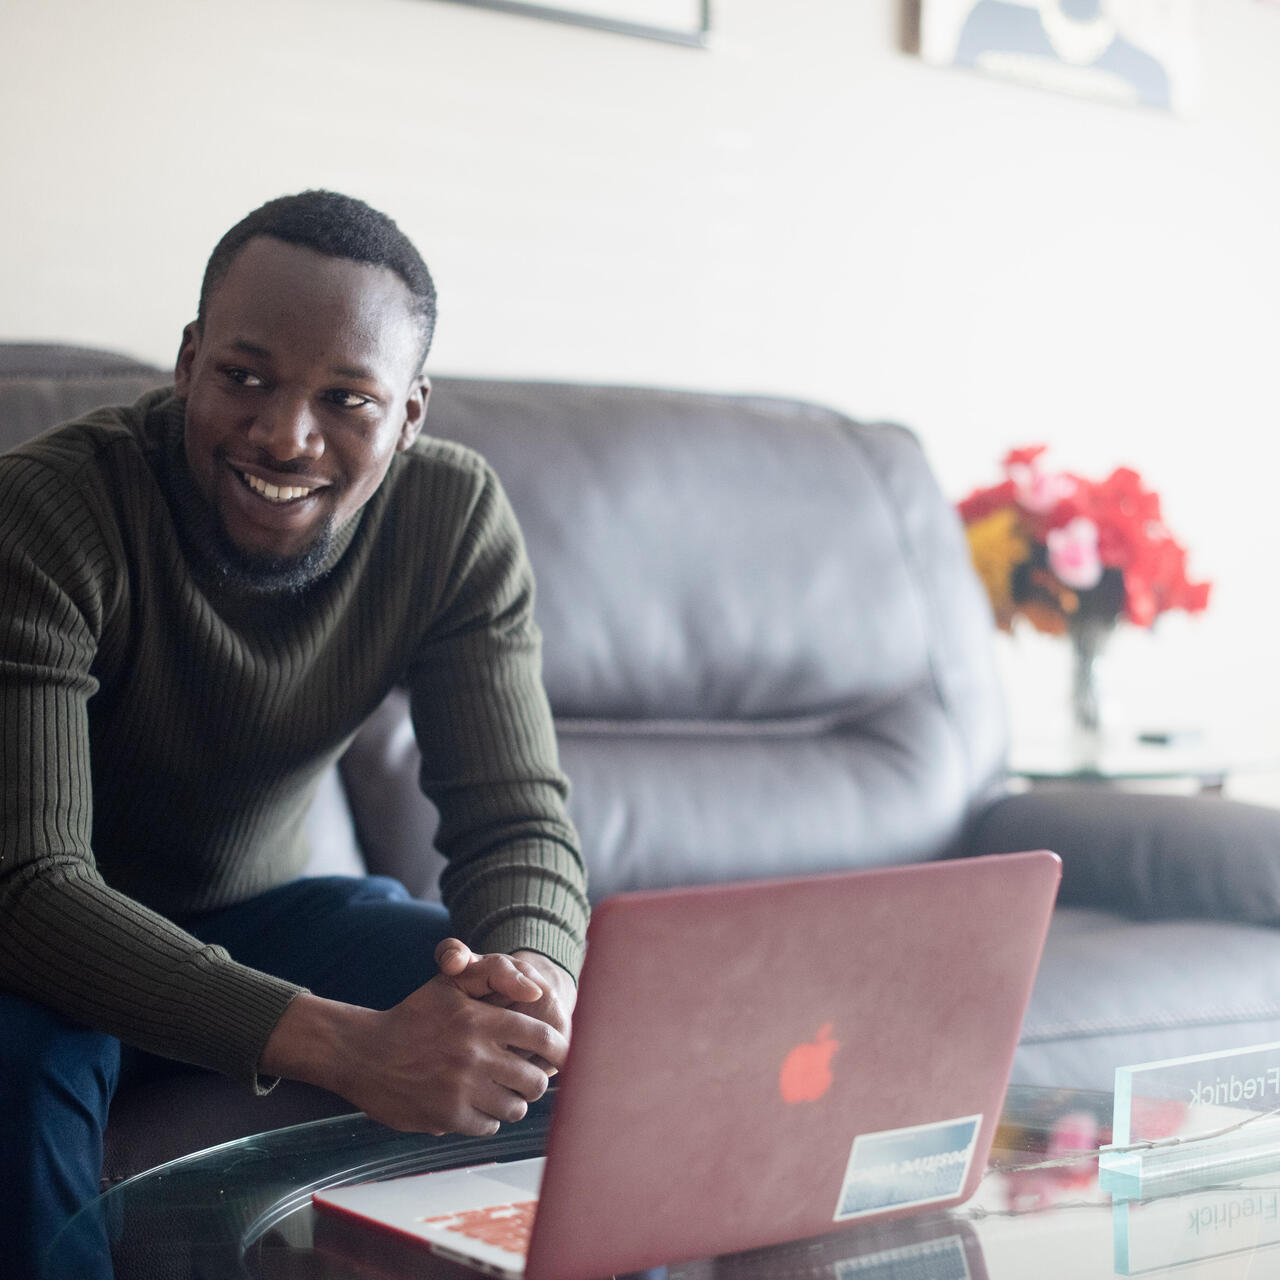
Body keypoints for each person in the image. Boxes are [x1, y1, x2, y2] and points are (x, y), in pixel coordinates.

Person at [0, 191, 589, 1272]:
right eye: (245, 377)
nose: (284, 433)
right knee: (24, 1051)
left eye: (346, 398)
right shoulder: (49, 513)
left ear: (409, 415)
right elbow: (32, 887)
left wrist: (533, 984)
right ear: (188, 361)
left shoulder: (449, 519)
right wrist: (349, 1046)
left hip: (260, 913)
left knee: (554, 1038)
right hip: (36, 944)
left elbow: (513, 822)